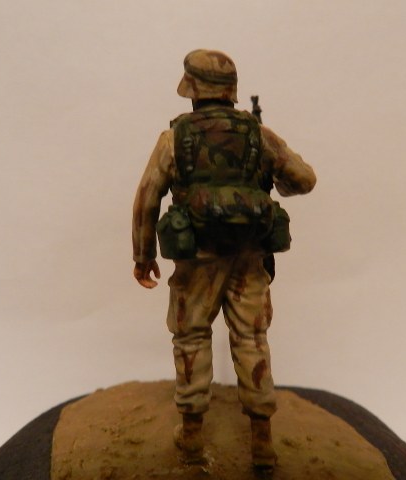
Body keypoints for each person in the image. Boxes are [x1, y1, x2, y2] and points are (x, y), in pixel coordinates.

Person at [132, 49, 316, 469]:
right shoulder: (258, 134)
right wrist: (268, 181)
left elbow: (147, 198)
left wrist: (143, 256)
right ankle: (262, 444)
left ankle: (192, 440)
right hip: (249, 257)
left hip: (196, 261)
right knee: (252, 340)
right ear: (230, 90)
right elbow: (304, 179)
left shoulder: (174, 138)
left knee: (191, 338)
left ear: (192, 89)